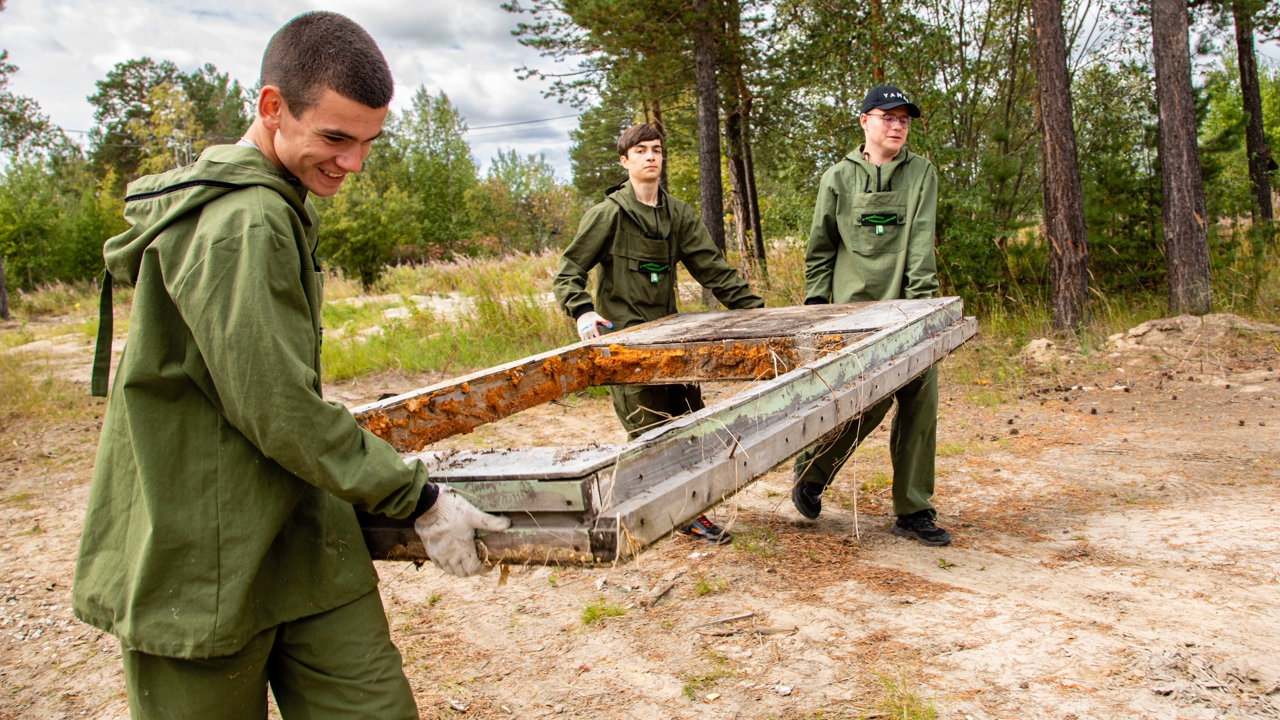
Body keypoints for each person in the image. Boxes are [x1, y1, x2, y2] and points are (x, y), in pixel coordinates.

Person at [73, 13, 508, 718]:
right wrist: (417, 499)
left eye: (368, 141)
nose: (353, 163)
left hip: (302, 535)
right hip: (200, 552)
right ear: (272, 108)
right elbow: (278, 407)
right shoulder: (243, 222)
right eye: (335, 137)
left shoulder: (276, 205)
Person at [553, 123, 763, 545]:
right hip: (625, 346)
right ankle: (669, 514)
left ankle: (686, 509)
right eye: (641, 151)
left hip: (671, 342)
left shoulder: (678, 215)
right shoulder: (609, 214)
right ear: (624, 161)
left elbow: (714, 271)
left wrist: (761, 315)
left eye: (657, 150)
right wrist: (581, 312)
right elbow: (568, 271)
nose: (651, 157)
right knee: (649, 434)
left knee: (691, 422)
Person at [790, 86, 952, 547]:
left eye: (904, 119)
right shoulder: (838, 178)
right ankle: (813, 472)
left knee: (921, 406)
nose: (898, 126)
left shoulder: (921, 173)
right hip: (853, 314)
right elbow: (819, 250)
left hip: (909, 311)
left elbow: (921, 242)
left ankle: (914, 509)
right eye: (888, 117)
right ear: (864, 121)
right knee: (867, 403)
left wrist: (926, 310)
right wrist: (818, 309)